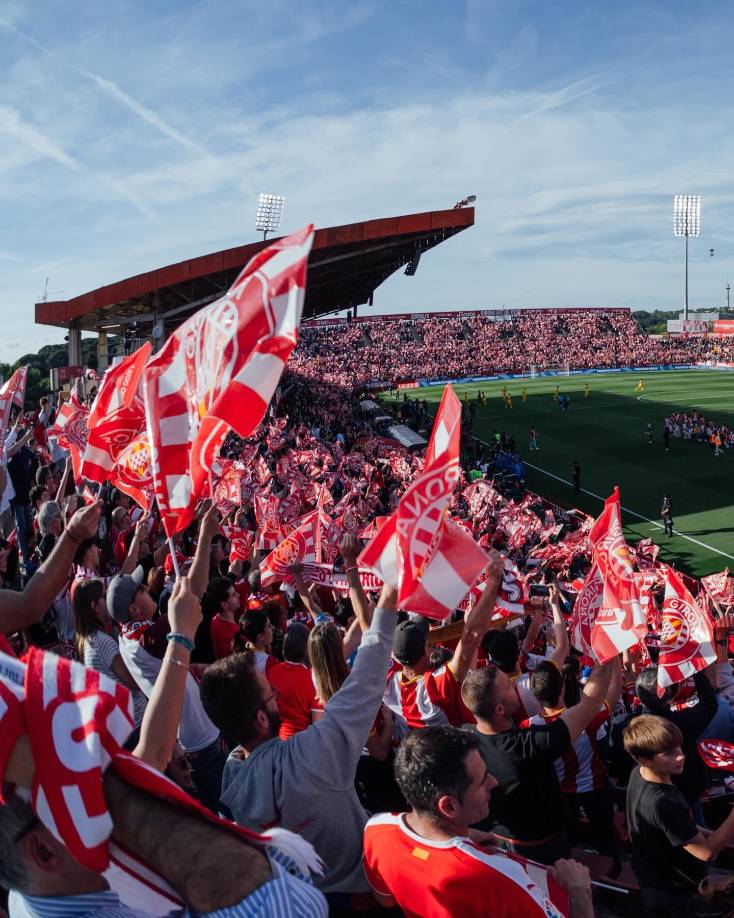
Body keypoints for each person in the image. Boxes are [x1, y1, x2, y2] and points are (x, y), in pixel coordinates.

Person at [0, 577, 328, 917]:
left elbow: (150, 755)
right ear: (43, 851)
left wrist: (181, 638)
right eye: (78, 780)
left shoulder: (28, 894)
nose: (104, 770)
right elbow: (293, 905)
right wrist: (116, 798)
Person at [200, 583, 399, 906]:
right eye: (270, 695)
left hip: (304, 900)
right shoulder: (316, 751)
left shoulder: (233, 779)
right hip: (361, 894)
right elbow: (368, 675)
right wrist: (388, 599)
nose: (276, 695)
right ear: (261, 719)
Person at [363, 727, 594, 918]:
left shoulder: (376, 830)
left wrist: (460, 839)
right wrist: (579, 893)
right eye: (482, 781)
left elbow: (384, 898)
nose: (494, 782)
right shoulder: (499, 877)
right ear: (449, 807)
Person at [461, 659, 613, 864]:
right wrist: (609, 652)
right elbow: (590, 704)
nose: (514, 684)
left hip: (501, 843)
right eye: (508, 685)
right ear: (499, 709)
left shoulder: (465, 740)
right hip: (544, 850)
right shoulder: (529, 747)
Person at [624, 714, 734, 917]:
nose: (681, 756)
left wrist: (699, 831)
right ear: (644, 759)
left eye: (678, 748)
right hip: (673, 892)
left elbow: (672, 826)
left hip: (654, 876)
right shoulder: (662, 803)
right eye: (668, 753)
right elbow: (706, 852)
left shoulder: (638, 772)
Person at [383, 551, 503, 729]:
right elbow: (471, 638)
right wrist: (493, 581)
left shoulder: (387, 685)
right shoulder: (433, 689)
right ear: (426, 650)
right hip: (449, 751)